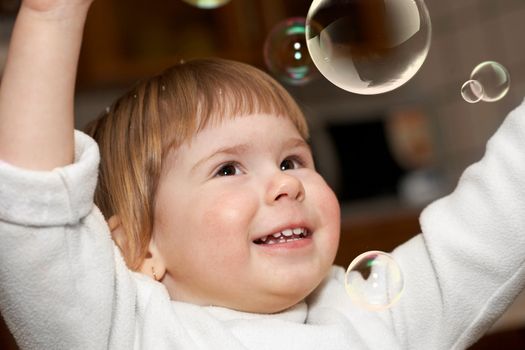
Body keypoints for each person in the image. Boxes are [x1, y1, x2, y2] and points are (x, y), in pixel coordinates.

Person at [1, 0, 525, 349]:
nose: (287, 183)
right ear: (138, 249)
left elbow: (498, 210)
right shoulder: (127, 332)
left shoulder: (377, 319)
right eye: (228, 168)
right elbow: (33, 220)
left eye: (292, 160)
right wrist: (52, 16)